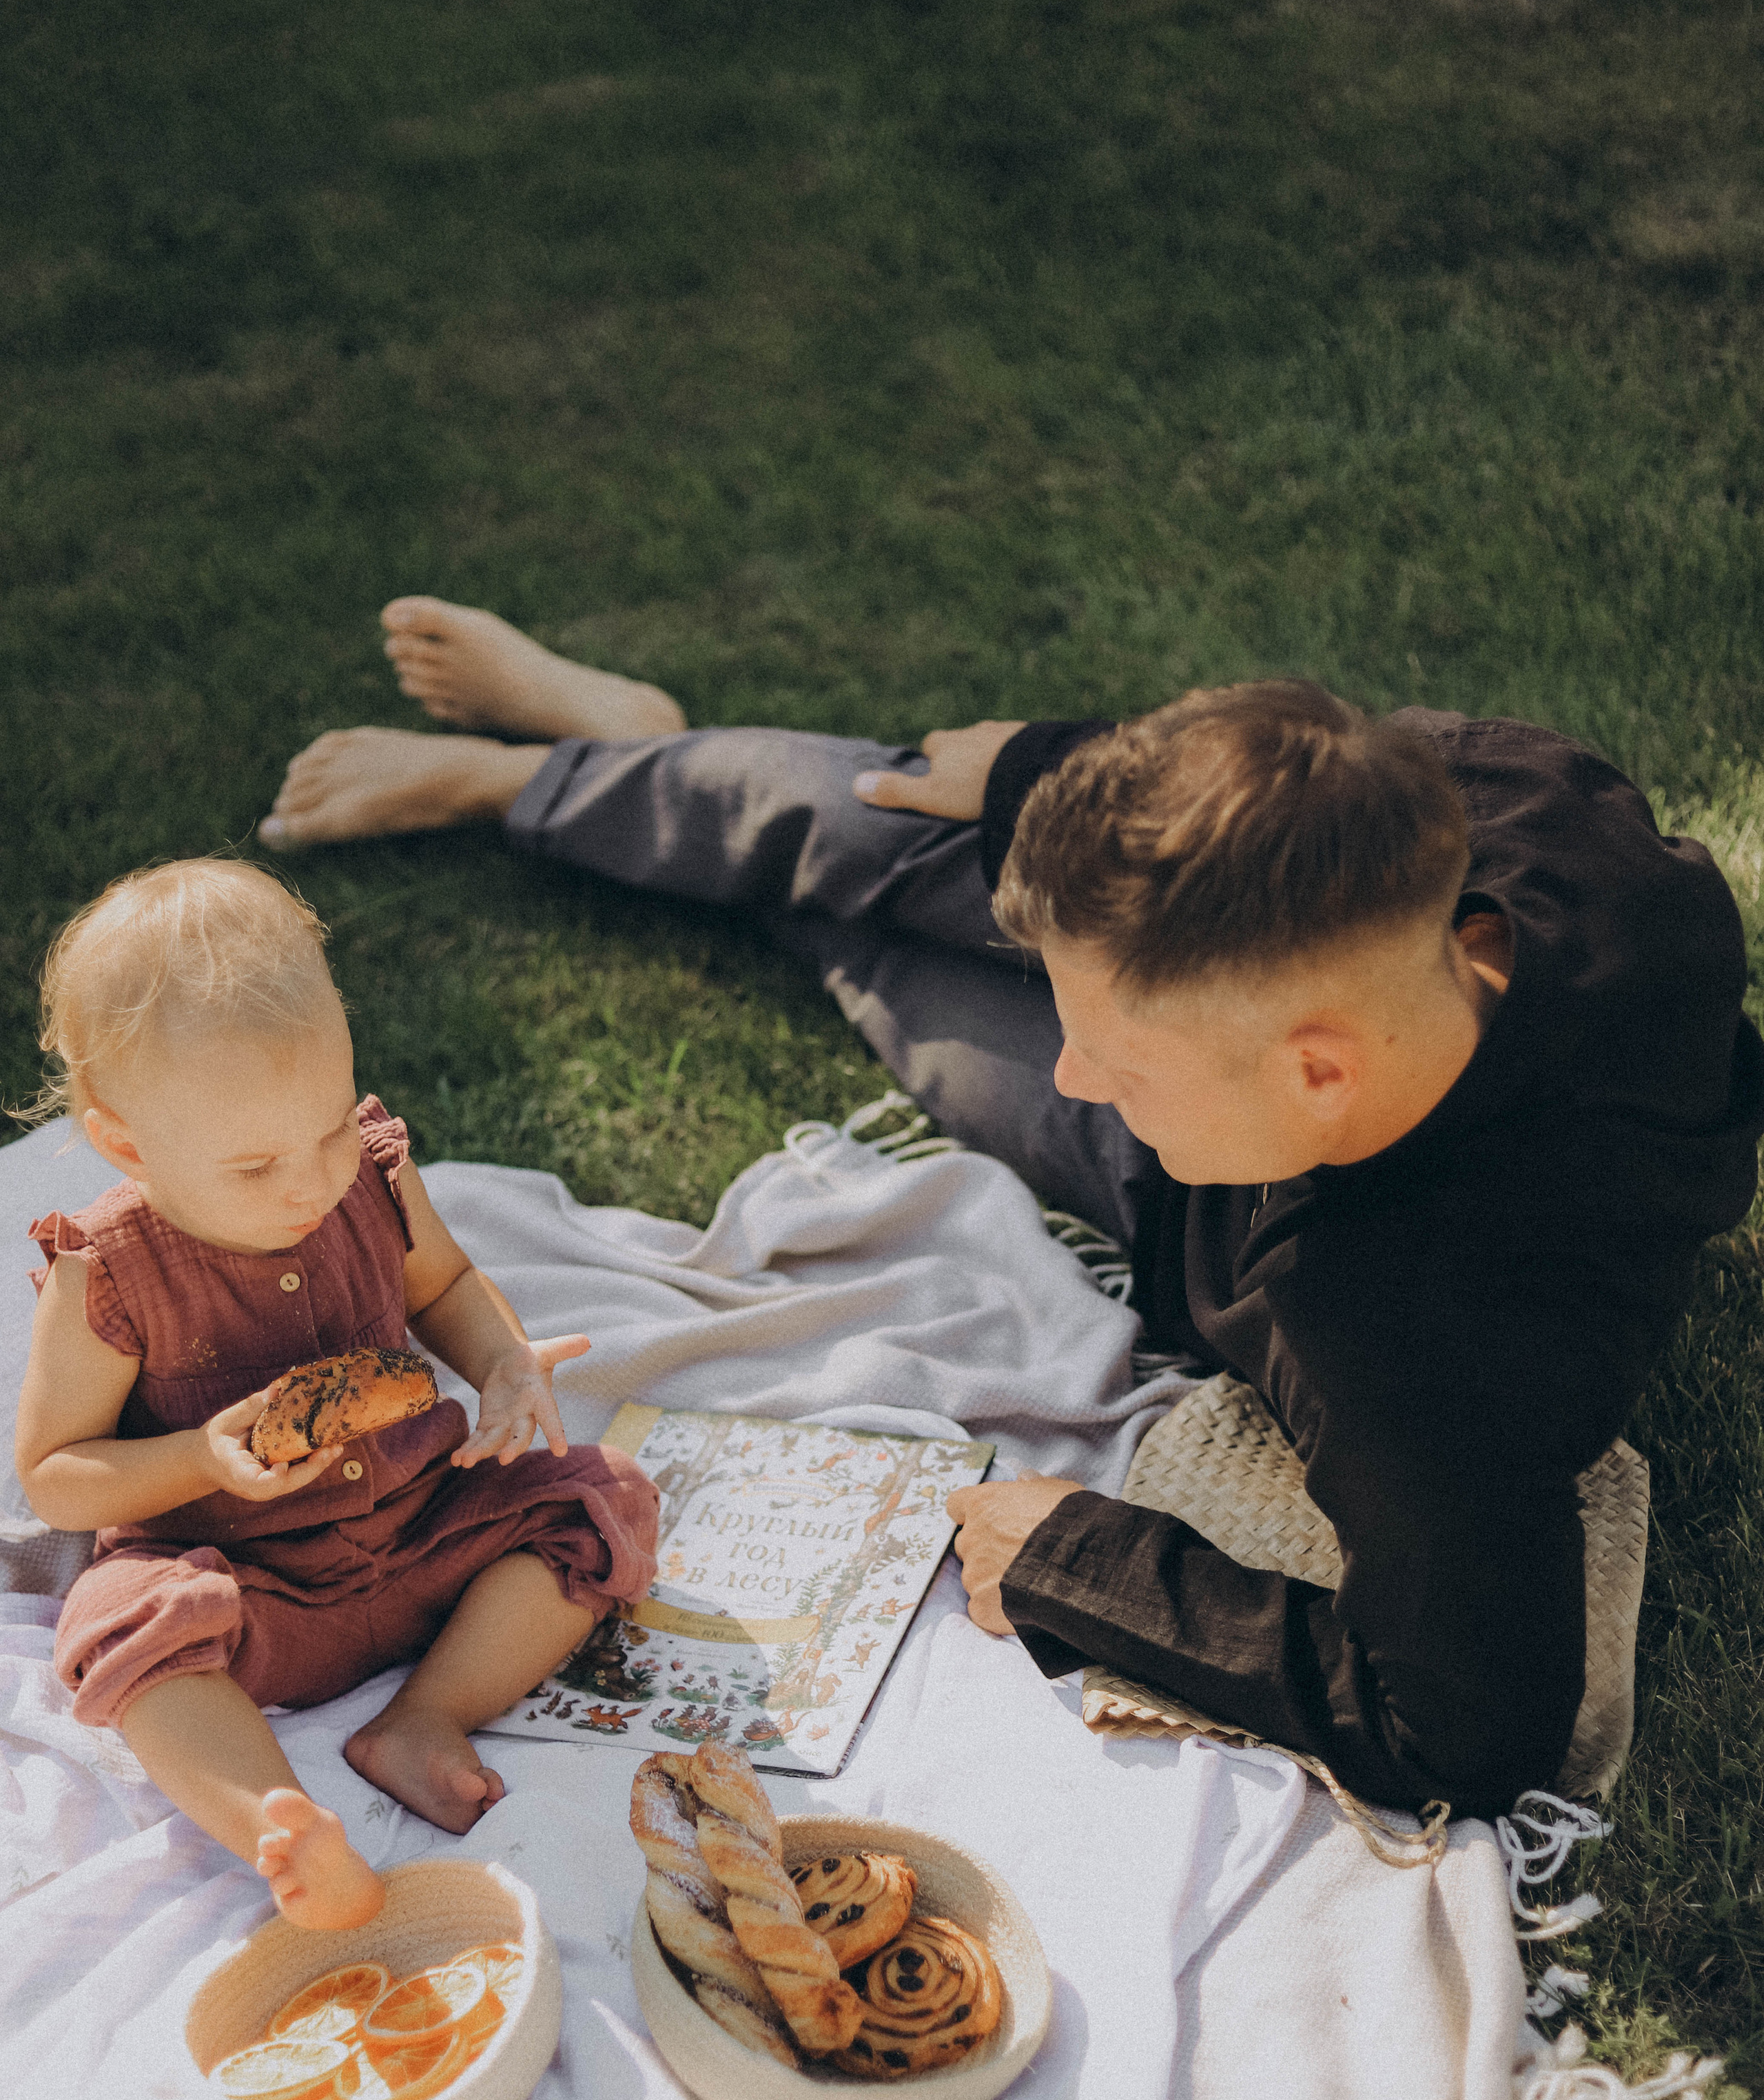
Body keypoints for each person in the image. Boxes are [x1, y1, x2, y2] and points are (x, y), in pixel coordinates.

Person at [260, 599, 1764, 1821]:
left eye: (1116, 1052)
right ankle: (561, 771)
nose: (1071, 1067)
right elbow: (1302, 774)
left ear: (1316, 1073)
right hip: (1226, 1046)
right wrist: (1045, 769)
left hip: (1198, 1218)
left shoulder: (1424, 1339)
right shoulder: (1515, 814)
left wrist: (1078, 1558)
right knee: (888, 815)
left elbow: (1463, 1723)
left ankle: (629, 748)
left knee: (894, 993)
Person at [14, 860, 659, 1927]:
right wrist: (197, 1460)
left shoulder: (367, 1168)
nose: (310, 1184)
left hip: (420, 1531)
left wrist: (500, 1356)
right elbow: (52, 1477)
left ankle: (423, 1717)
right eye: (257, 1165)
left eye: (322, 1131)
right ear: (129, 1143)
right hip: (245, 1587)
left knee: (606, 1493)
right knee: (120, 1626)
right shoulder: (111, 1272)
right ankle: (277, 1819)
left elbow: (442, 1283)